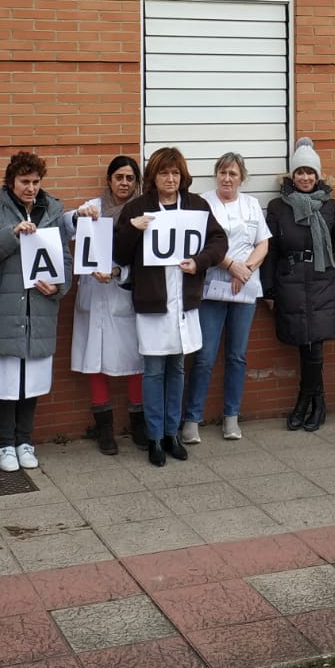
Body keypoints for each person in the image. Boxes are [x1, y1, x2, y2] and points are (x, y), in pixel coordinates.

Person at [114, 147, 227, 464]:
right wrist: (133, 230)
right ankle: (154, 438)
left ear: (182, 176)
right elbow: (119, 254)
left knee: (177, 368)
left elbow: (219, 242)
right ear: (154, 177)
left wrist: (199, 262)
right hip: (153, 300)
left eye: (175, 173)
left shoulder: (196, 206)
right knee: (153, 371)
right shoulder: (137, 208)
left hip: (184, 300)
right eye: (164, 173)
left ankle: (171, 433)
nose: (170, 179)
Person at [0, 150, 74, 473]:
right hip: (5, 309)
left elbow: (64, 260)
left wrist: (58, 288)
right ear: (11, 182)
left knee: (32, 382)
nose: (31, 188)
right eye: (24, 181)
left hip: (40, 310)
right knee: (7, 384)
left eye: (35, 181)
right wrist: (12, 234)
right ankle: (5, 444)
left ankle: (24, 441)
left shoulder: (53, 211)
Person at [263, 138, 335, 431]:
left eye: (310, 172)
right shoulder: (278, 207)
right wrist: (268, 290)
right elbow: (270, 250)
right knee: (305, 345)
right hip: (290, 280)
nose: (305, 177)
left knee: (315, 346)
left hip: (322, 279)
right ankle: (317, 404)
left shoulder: (328, 205)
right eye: (300, 172)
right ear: (292, 175)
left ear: (318, 175)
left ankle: (306, 401)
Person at [182, 153, 270, 443]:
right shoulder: (202, 203)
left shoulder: (252, 204)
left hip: (245, 289)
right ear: (216, 175)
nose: (227, 178)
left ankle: (231, 417)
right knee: (204, 357)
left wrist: (246, 270)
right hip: (212, 289)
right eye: (222, 172)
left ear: (241, 177)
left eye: (232, 173)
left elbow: (263, 243)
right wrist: (231, 266)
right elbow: (202, 243)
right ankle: (192, 419)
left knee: (237, 356)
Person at [70, 156, 146, 456]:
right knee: (95, 360)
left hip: (123, 292)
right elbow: (65, 226)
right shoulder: (94, 207)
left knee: (135, 361)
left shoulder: (142, 212)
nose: (124, 183)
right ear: (109, 180)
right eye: (119, 177)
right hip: (93, 293)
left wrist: (118, 271)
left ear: (136, 182)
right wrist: (78, 215)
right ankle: (104, 430)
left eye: (130, 178)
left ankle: (138, 424)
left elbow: (145, 259)